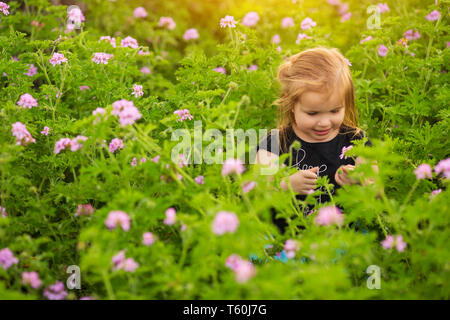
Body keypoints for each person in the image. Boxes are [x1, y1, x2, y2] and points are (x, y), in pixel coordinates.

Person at [256, 47, 376, 233]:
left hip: (344, 235)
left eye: (335, 111)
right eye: (312, 113)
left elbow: (377, 189)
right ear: (292, 105)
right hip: (289, 239)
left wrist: (359, 179)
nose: (324, 122)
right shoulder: (273, 142)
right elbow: (257, 192)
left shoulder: (355, 140)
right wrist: (286, 185)